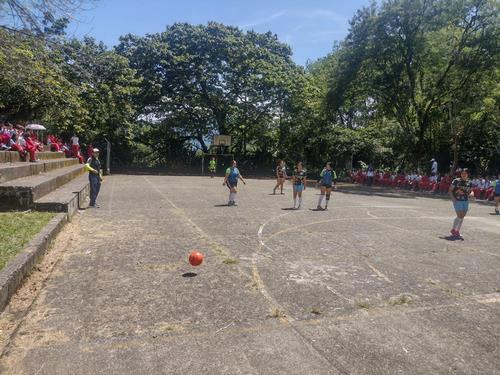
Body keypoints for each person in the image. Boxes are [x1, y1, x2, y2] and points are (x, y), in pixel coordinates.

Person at [449, 168, 474, 239]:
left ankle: (457, 231)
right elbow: (450, 190)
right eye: (462, 173)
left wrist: (472, 194)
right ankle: (453, 230)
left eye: (465, 174)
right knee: (459, 215)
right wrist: (453, 198)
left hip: (466, 201)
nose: (463, 175)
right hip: (457, 200)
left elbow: (471, 191)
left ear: (468, 175)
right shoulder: (456, 181)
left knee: (462, 216)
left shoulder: (469, 182)